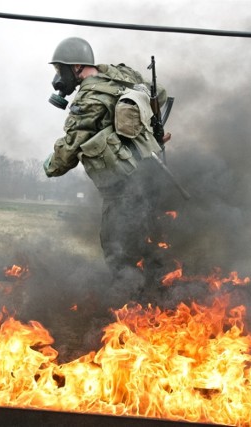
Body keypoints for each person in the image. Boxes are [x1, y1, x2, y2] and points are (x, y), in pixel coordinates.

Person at [43, 37, 172, 302]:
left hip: (124, 190)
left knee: (118, 252)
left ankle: (131, 311)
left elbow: (67, 153)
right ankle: (161, 303)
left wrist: (47, 166)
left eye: (60, 69)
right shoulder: (122, 75)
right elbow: (157, 94)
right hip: (153, 174)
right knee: (149, 245)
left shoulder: (88, 101)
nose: (58, 77)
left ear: (76, 67)